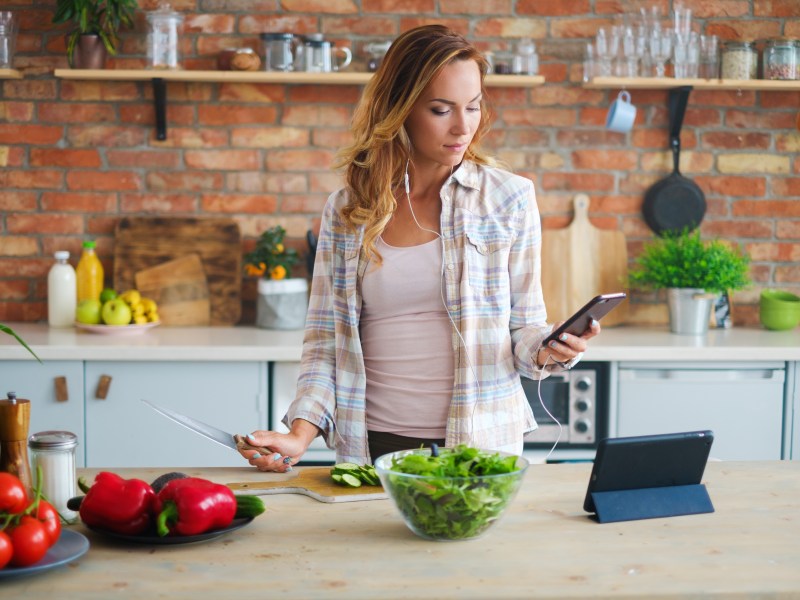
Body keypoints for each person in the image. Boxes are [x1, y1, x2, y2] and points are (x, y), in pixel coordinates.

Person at [239, 24, 600, 472]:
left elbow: (523, 331)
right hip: (373, 446)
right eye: (440, 109)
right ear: (401, 109)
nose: (463, 126)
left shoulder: (509, 199)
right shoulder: (350, 209)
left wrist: (551, 349)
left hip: (478, 446)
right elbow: (326, 344)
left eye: (473, 106)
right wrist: (300, 432)